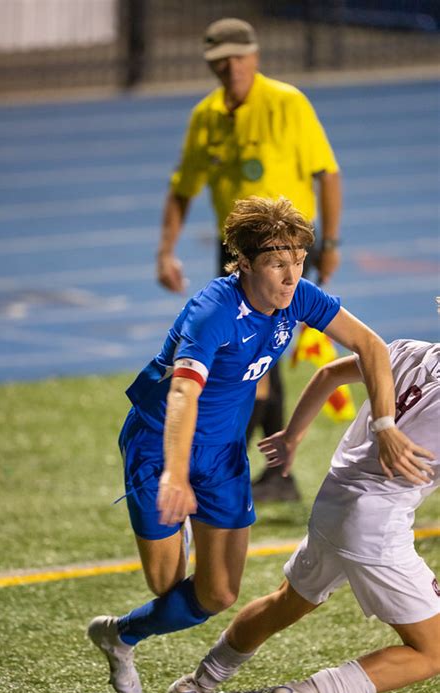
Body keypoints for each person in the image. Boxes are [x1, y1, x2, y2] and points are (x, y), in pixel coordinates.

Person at [87, 195, 432, 693]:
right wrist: (175, 477)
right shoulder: (212, 313)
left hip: (223, 451)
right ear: (243, 262)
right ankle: (148, 589)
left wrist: (382, 423)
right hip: (161, 447)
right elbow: (184, 394)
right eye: (276, 262)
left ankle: (119, 635)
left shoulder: (299, 295)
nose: (291, 275)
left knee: (218, 595)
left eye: (297, 261)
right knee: (166, 583)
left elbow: (370, 345)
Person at [167, 338, 439, 693]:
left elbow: (328, 374)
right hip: (377, 526)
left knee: (287, 601)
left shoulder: (410, 350)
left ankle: (198, 683)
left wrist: (292, 436)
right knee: (433, 651)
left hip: (335, 500)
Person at [156, 17, 343, 502]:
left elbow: (328, 173)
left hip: (286, 249)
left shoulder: (287, 103)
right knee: (250, 354)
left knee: (263, 357)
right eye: (220, 60)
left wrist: (332, 245)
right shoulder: (206, 117)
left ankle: (261, 468)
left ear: (255, 57)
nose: (230, 67)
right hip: (238, 252)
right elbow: (182, 190)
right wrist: (166, 250)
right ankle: (265, 471)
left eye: (238, 57)